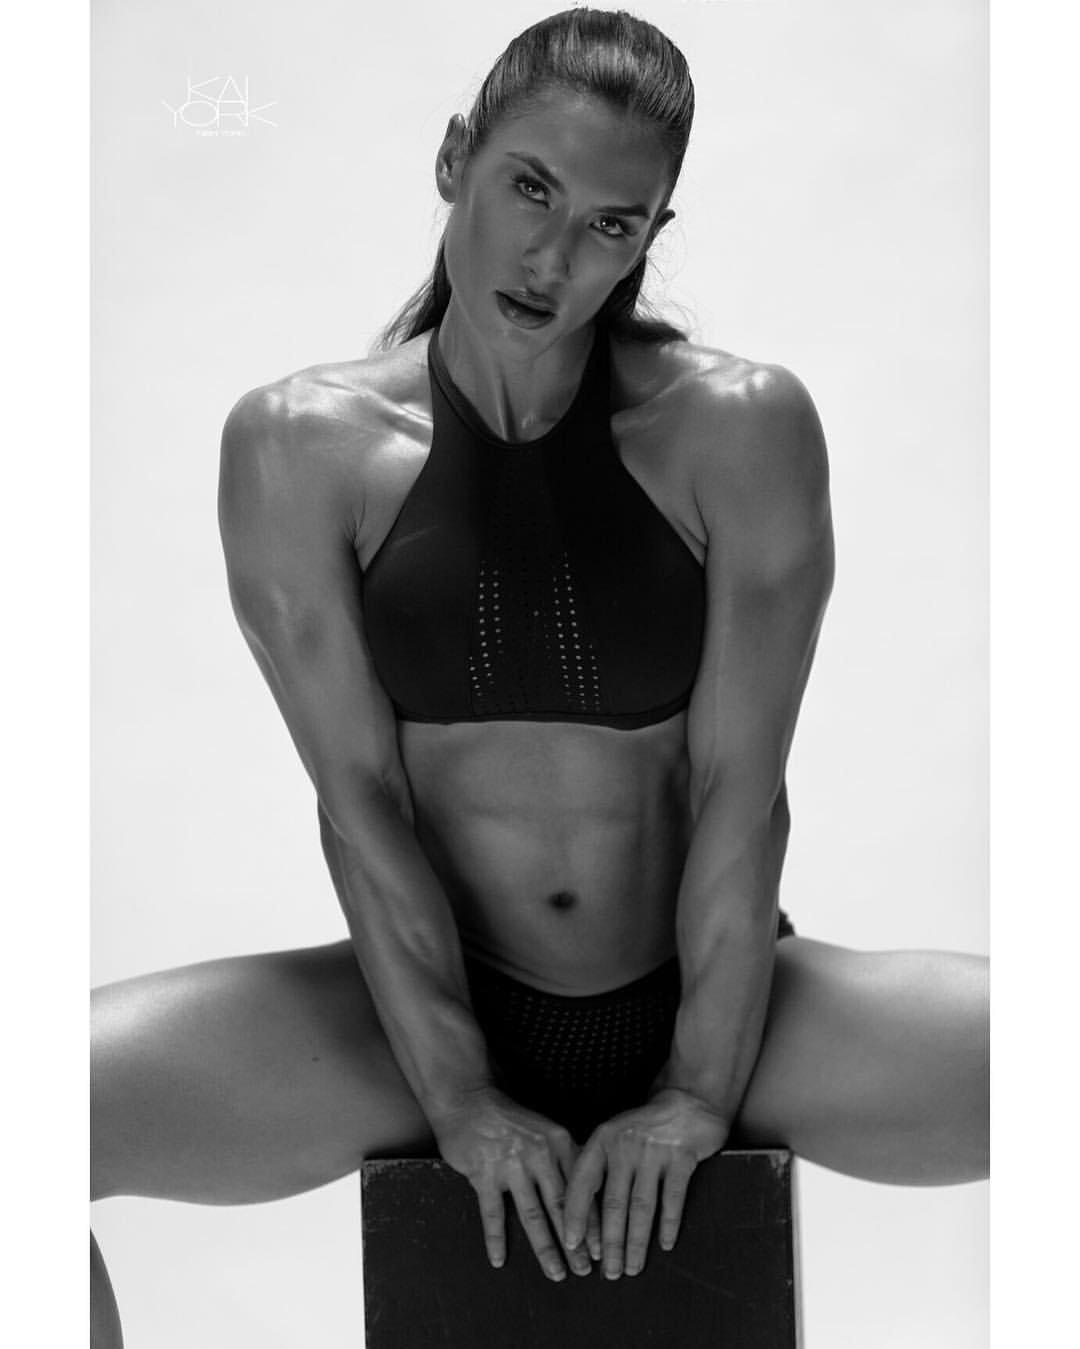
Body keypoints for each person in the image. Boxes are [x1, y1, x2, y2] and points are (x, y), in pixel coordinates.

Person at [90, 8, 988, 1344]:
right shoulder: (302, 449)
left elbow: (742, 795)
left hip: (718, 1002)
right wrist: (460, 1096)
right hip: (420, 1019)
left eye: (611, 224)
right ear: (455, 158)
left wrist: (696, 1092)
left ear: (651, 236)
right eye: (531, 188)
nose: (557, 256)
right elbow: (360, 808)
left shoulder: (735, 429)